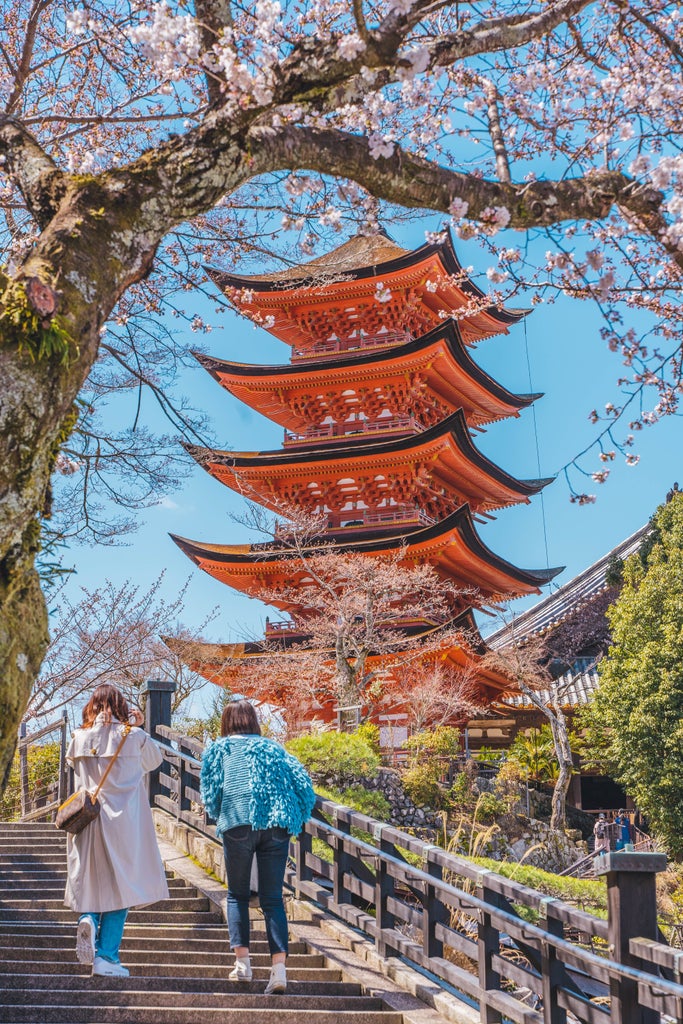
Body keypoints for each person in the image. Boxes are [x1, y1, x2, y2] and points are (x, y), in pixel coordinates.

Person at [200, 700, 315, 995]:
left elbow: (211, 792)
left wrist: (219, 814)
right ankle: (278, 971)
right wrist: (296, 817)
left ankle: (243, 965)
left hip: (237, 822)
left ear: (226, 722)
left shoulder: (219, 749)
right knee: (273, 899)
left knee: (237, 895)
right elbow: (304, 786)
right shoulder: (274, 749)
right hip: (276, 826)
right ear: (253, 721)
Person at [64, 684, 169, 977]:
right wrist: (136, 726)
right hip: (123, 823)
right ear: (121, 706)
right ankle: (107, 957)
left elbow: (75, 769)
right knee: (121, 889)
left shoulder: (78, 738)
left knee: (92, 881)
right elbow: (154, 762)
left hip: (87, 820)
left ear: (91, 706)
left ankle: (88, 919)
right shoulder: (133, 737)